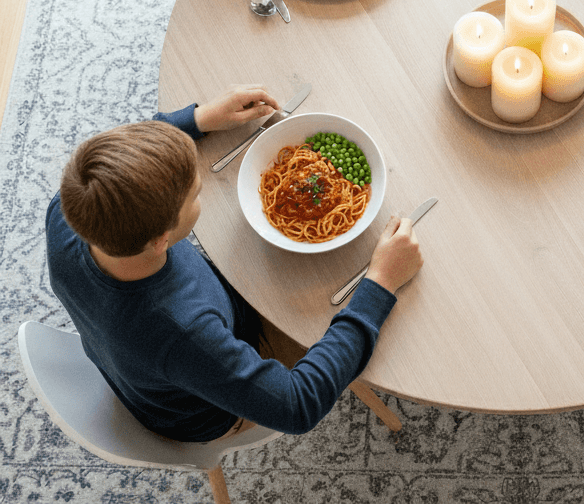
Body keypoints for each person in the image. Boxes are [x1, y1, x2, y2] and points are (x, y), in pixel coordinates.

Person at [45, 85, 423, 442]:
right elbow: (298, 405)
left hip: (156, 359)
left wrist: (199, 118)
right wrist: (380, 282)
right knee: (351, 317)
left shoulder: (73, 205)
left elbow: (120, 160)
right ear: (160, 241)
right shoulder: (183, 332)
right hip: (205, 411)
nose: (201, 188)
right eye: (195, 194)